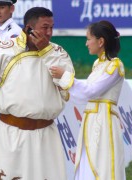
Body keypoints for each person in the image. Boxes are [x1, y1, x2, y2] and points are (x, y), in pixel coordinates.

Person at [0, 7, 74, 179]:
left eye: (51, 28)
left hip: (46, 138)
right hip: (11, 135)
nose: (49, 32)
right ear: (28, 28)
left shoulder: (58, 53)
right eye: (45, 27)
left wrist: (46, 52)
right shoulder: (5, 50)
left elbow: (67, 86)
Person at [50, 20, 126, 180]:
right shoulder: (98, 65)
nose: (86, 43)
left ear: (100, 41)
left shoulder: (114, 66)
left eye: (88, 38)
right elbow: (86, 90)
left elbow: (91, 91)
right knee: (88, 164)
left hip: (105, 124)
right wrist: (64, 86)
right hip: (91, 123)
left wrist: (65, 77)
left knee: (103, 166)